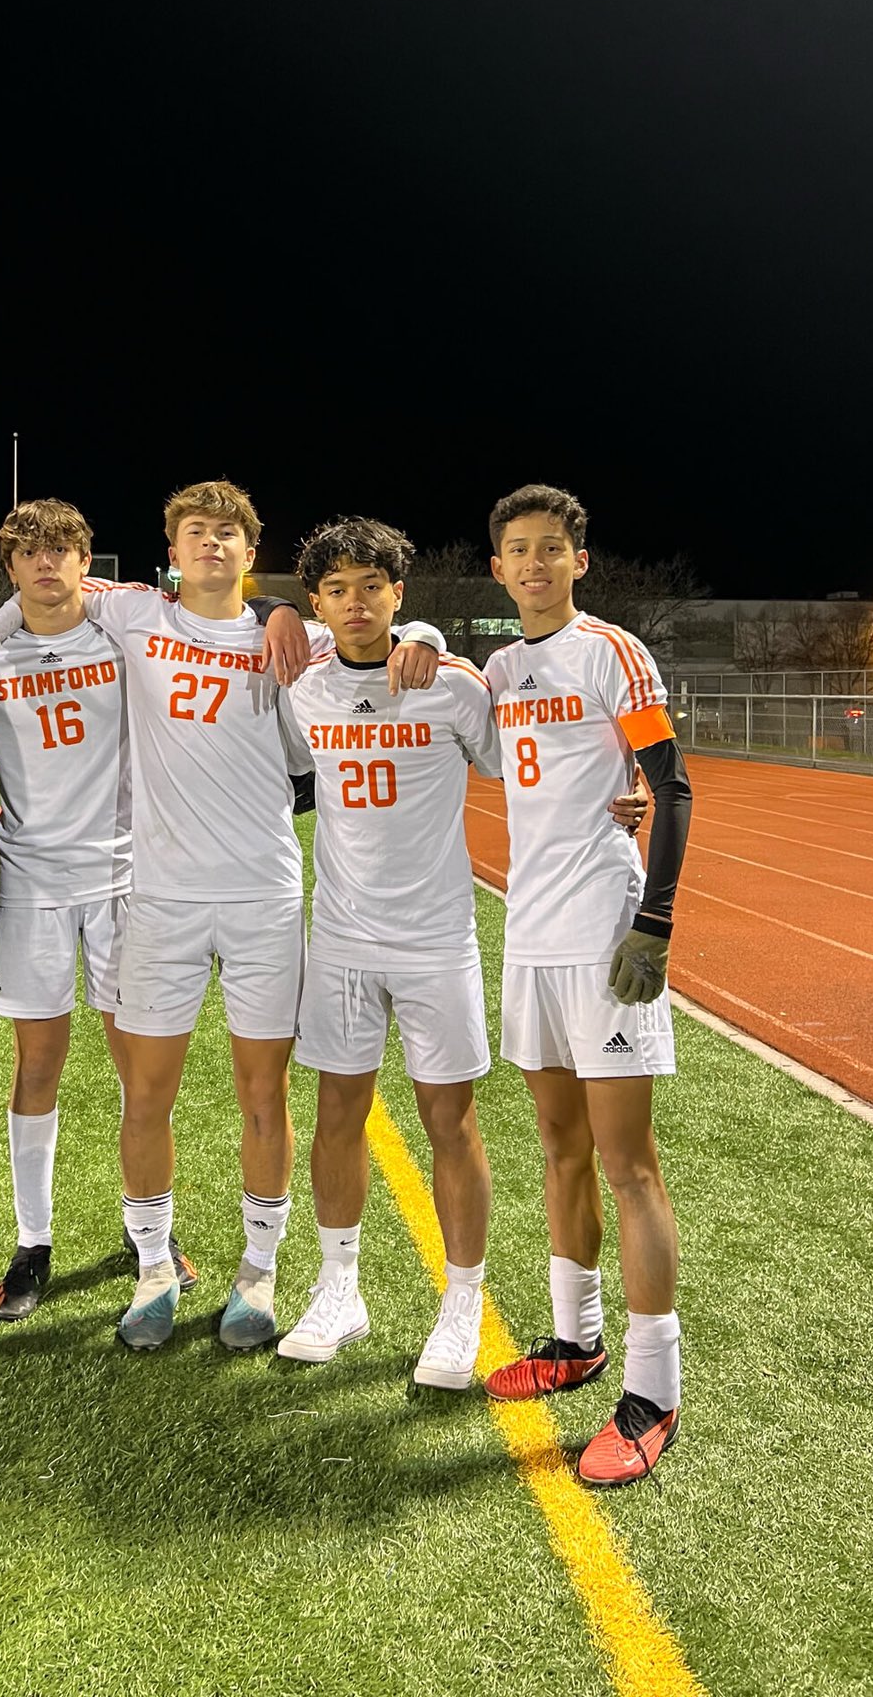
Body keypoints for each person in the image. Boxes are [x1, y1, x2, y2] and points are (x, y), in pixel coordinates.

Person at [0, 478, 442, 1355]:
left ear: (252, 554)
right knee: (146, 1094)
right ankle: (150, 1268)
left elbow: (385, 643)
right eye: (194, 532)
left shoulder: (294, 637)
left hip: (261, 896)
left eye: (228, 533)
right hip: (160, 901)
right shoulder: (137, 614)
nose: (210, 543)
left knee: (264, 1094)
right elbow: (40, 584)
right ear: (170, 551)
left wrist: (399, 628)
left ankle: (257, 1273)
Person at [276, 517, 647, 1393]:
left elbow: (533, 753)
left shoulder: (453, 684)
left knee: (451, 1120)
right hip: (340, 936)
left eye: (374, 586)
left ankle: (461, 1303)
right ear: (318, 603)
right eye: (336, 590)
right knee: (337, 1113)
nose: (356, 603)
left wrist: (623, 785)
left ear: (400, 595)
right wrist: (273, 618)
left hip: (437, 937)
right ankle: (339, 1290)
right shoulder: (304, 691)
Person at [479, 483, 693, 1489]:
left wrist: (654, 920)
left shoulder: (611, 649)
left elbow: (675, 783)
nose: (534, 563)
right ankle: (577, 1342)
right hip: (529, 933)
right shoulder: (501, 664)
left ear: (580, 560)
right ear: (497, 567)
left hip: (606, 930)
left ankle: (655, 1390)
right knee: (560, 1147)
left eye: (551, 548)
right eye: (517, 549)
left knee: (628, 1163)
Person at [0, 496, 196, 1321]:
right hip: (32, 883)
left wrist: (421, 637)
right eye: (29, 552)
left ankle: (151, 1236)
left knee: (137, 1069)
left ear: (84, 562)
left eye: (61, 550)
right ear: (11, 568)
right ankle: (34, 1241)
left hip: (123, 880)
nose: (46, 563)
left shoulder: (123, 627)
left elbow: (225, 608)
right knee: (37, 1066)